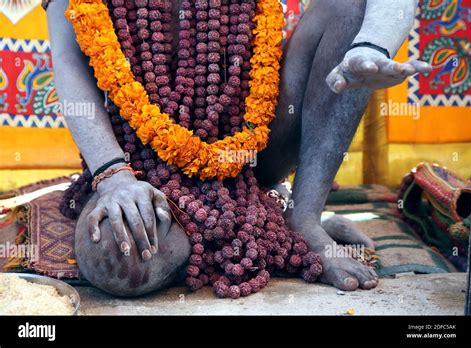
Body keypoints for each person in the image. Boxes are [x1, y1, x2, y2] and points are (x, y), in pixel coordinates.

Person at [45, 0, 431, 296]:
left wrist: (372, 45)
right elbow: (67, 60)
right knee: (116, 255)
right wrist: (113, 176)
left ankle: (303, 217)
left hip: (249, 152)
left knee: (347, 6)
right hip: (142, 162)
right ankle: (256, 221)